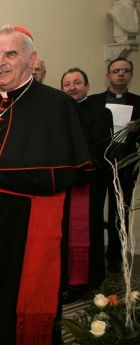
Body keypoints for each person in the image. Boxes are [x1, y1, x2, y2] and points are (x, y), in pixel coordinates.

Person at [0, 25, 91, 345]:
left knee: (8, 316)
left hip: (21, 232)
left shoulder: (57, 106)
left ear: (31, 59)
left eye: (10, 54)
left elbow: (65, 175)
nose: (0, 62)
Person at [61, 68, 114, 302]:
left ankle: (82, 280)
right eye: (67, 84)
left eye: (77, 82)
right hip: (61, 183)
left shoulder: (100, 113)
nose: (72, 87)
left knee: (82, 231)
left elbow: (100, 148)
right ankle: (64, 278)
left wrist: (76, 169)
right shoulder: (58, 111)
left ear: (87, 86)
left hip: (86, 180)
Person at [87, 57, 140, 273]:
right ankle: (95, 255)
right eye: (116, 70)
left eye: (125, 71)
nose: (120, 74)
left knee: (121, 212)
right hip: (99, 166)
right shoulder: (93, 101)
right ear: (108, 75)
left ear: (131, 75)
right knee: (94, 212)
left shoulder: (139, 103)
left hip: (125, 166)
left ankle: (116, 256)